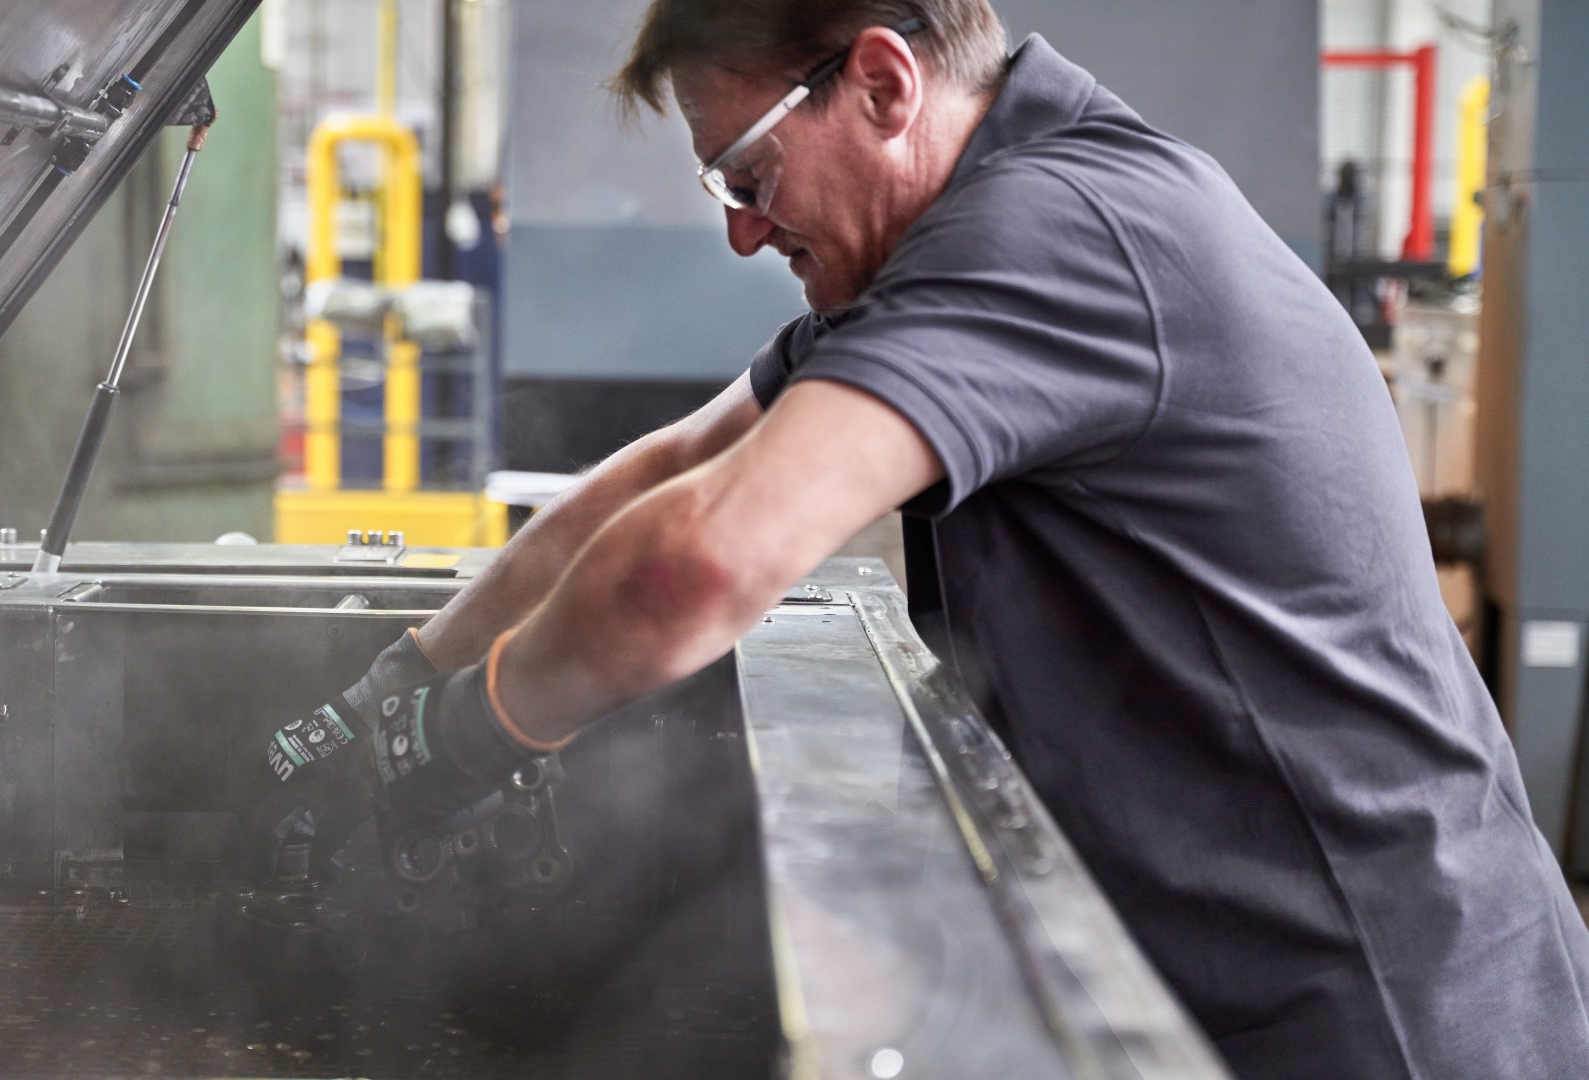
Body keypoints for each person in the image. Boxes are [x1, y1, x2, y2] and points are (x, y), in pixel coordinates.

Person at [253, 1, 1589, 1076]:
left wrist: (459, 742)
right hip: (1242, 985)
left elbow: (693, 567)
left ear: (885, 84)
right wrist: (398, 681)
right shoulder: (956, 245)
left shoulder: (1053, 233)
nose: (740, 232)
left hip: (1378, 1014)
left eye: (749, 175)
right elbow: (667, 472)